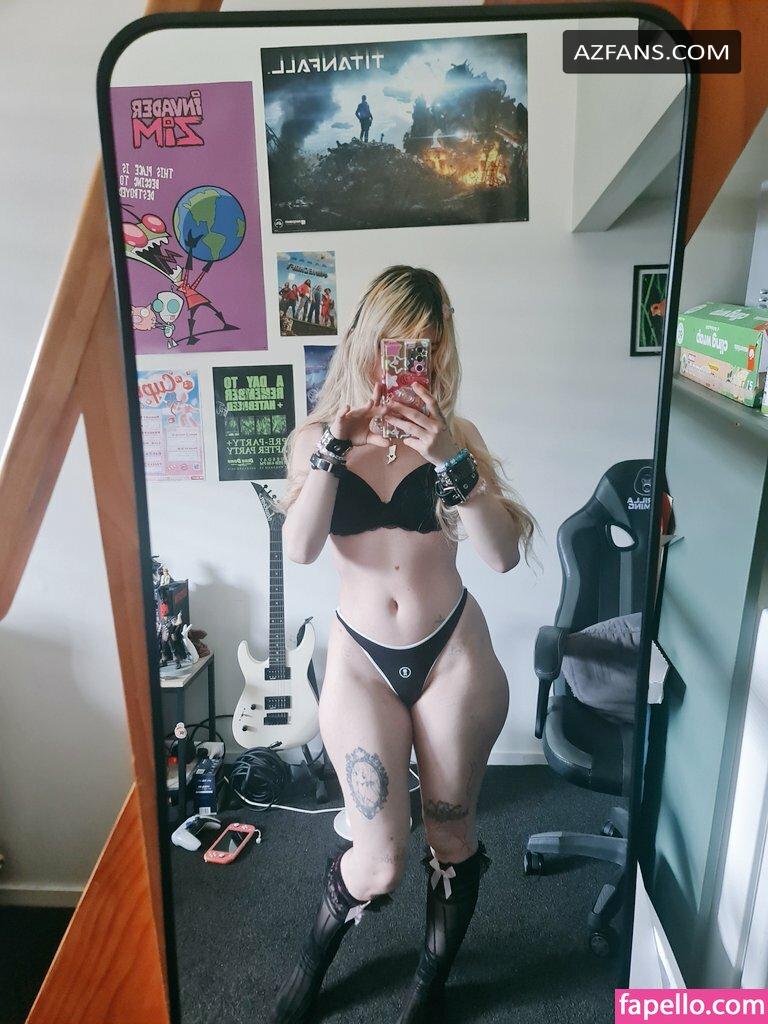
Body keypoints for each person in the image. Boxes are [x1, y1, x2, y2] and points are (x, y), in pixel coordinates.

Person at [271, 265, 536, 1024]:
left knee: (451, 836)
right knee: (380, 858)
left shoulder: (459, 439)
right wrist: (333, 449)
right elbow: (299, 549)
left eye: (426, 343)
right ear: (366, 340)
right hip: (362, 661)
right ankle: (312, 962)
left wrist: (452, 460)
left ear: (441, 348)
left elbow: (501, 556)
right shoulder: (315, 439)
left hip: (453, 656)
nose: (410, 358)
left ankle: (429, 983)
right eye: (397, 342)